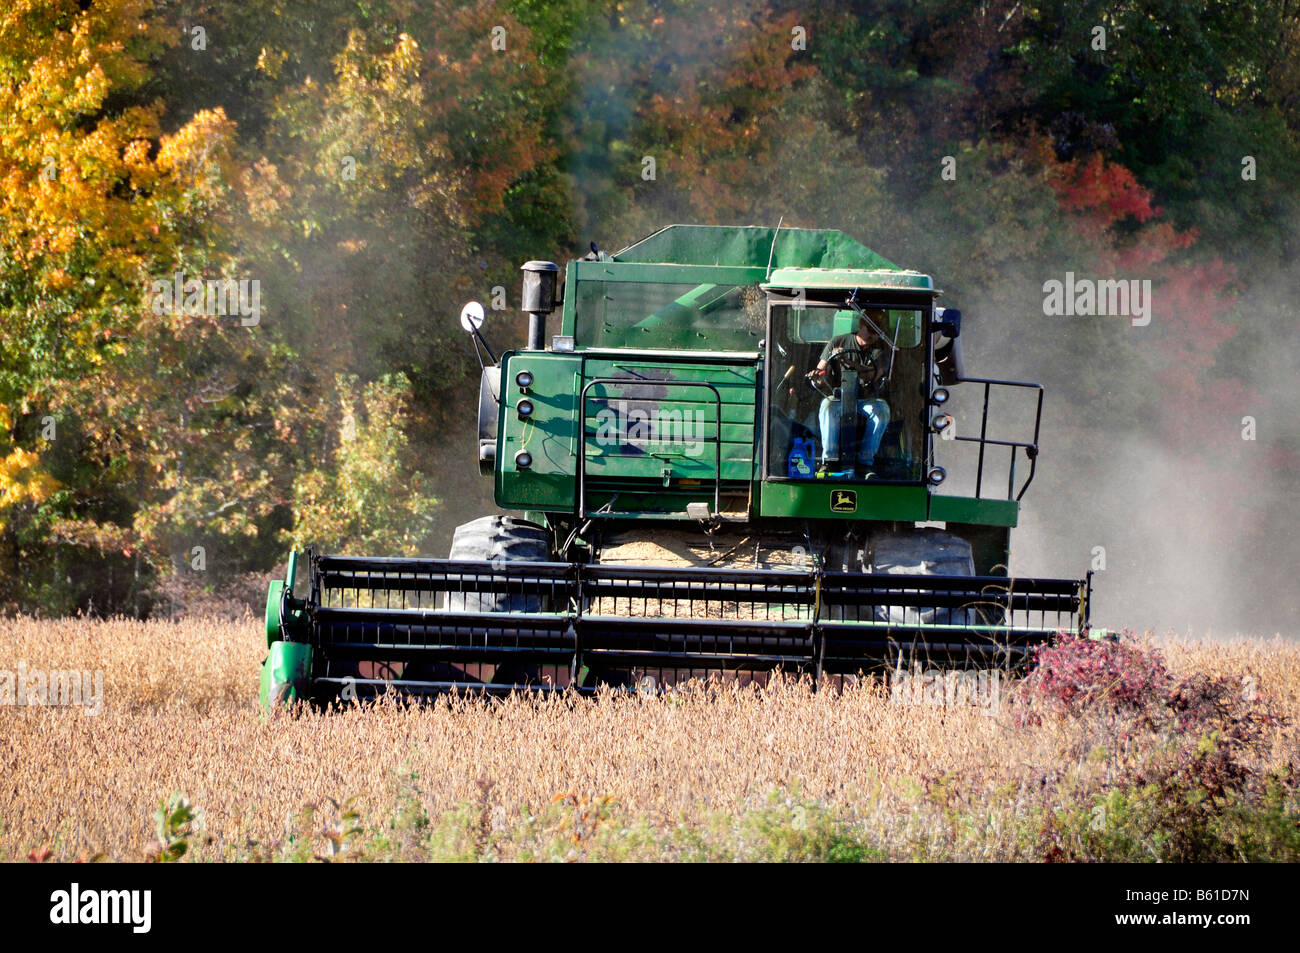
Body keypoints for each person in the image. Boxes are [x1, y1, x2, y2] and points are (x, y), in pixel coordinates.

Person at [806, 310, 891, 477]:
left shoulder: (880, 350)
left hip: (865, 400)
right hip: (839, 398)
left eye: (877, 333)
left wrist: (845, 360)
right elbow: (822, 369)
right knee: (827, 407)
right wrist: (817, 376)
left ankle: (865, 463)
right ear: (861, 325)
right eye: (870, 330)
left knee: (881, 411)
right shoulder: (838, 341)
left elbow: (871, 374)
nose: (873, 336)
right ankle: (829, 461)